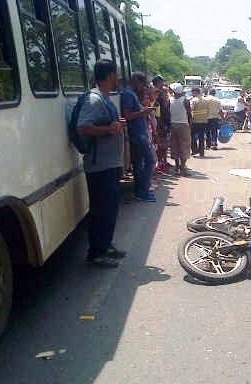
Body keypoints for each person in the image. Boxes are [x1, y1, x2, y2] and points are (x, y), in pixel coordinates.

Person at [76, 59, 127, 268]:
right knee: (101, 211)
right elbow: (83, 127)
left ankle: (105, 245)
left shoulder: (103, 98)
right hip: (100, 166)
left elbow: (106, 125)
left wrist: (115, 125)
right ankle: (96, 252)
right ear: (110, 75)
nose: (117, 79)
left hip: (109, 164)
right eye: (115, 75)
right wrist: (109, 129)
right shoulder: (94, 99)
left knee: (110, 209)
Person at [121, 72, 157, 202]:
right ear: (135, 80)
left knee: (138, 163)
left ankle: (139, 191)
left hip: (138, 133)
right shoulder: (128, 94)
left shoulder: (130, 94)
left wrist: (143, 109)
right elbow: (128, 115)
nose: (142, 87)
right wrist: (144, 111)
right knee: (150, 160)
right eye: (142, 84)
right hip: (137, 134)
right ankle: (143, 190)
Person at [169, 83, 192, 176]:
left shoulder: (169, 100)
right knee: (185, 146)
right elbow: (189, 115)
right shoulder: (185, 101)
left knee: (175, 146)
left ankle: (177, 167)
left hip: (173, 125)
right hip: (183, 125)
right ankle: (183, 168)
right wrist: (190, 126)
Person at [152, 75, 171, 173]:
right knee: (159, 145)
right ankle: (159, 163)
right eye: (161, 82)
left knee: (164, 144)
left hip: (164, 122)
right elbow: (157, 111)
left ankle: (163, 162)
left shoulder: (161, 92)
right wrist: (158, 125)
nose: (162, 84)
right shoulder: (155, 94)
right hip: (159, 122)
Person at [190, 87, 209, 157]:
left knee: (192, 136)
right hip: (204, 121)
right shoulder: (205, 100)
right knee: (201, 137)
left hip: (195, 121)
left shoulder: (194, 100)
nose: (192, 94)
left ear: (195, 92)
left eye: (192, 92)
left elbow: (190, 109)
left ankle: (194, 150)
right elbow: (208, 111)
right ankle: (201, 152)